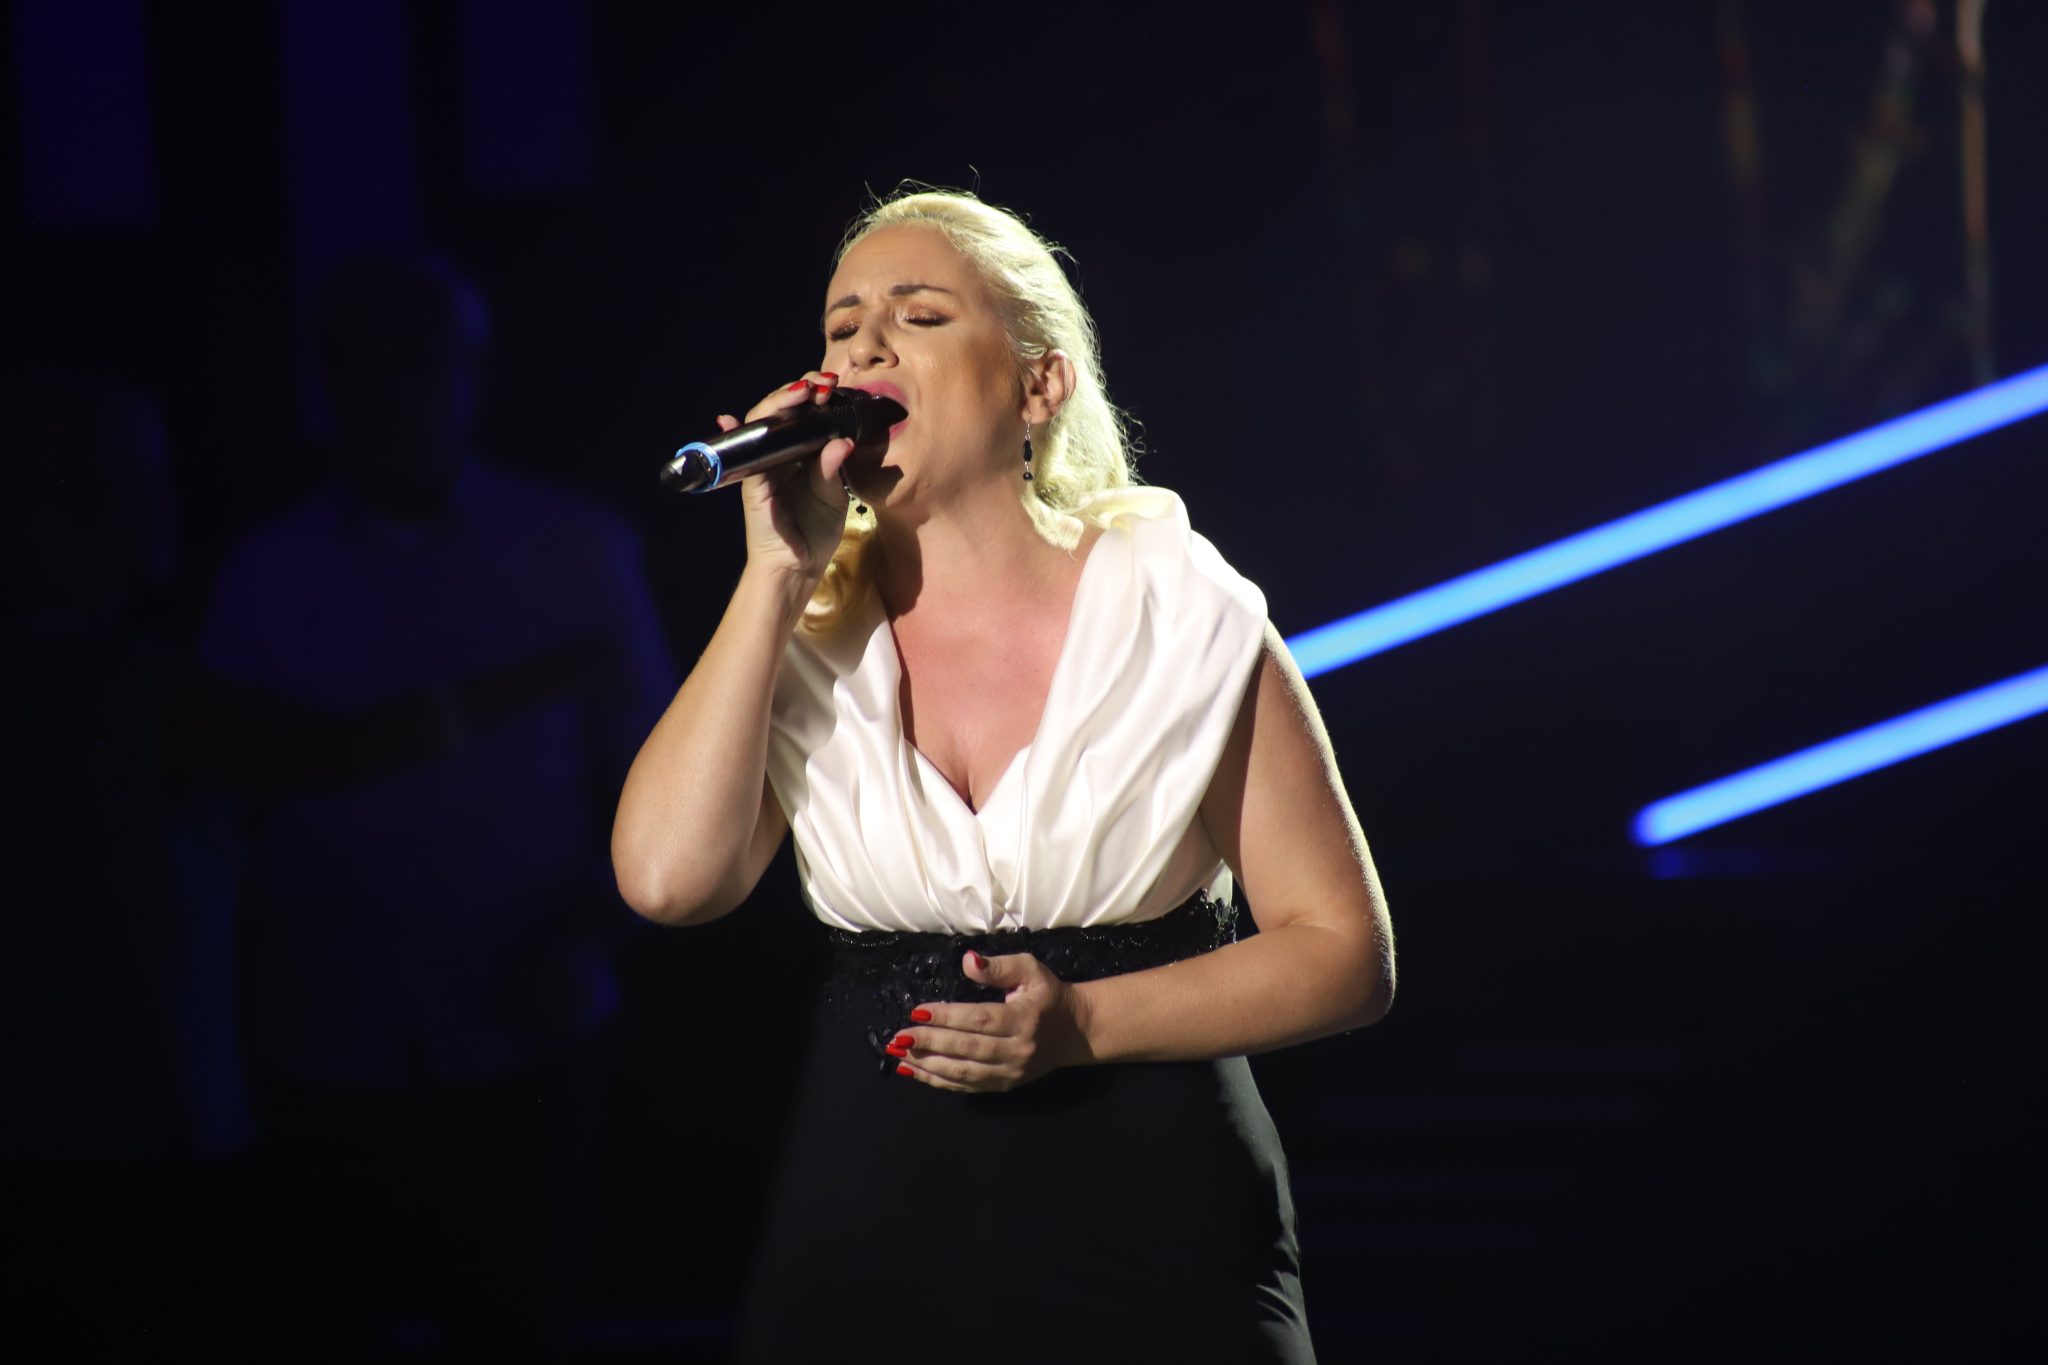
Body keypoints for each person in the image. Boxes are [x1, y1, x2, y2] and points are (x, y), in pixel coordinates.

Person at [612, 189, 1394, 1361]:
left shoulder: (1177, 612)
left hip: (1152, 1216)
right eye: (840, 327)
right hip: (872, 1226)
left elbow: (1341, 953)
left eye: (918, 316)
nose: (864, 349)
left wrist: (1082, 1022)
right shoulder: (799, 640)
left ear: (1040, 385)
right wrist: (774, 574)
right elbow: (668, 882)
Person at [194, 253, 673, 1357]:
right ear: (327, 384)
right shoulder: (267, 572)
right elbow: (224, 796)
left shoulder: (576, 549)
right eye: (361, 367)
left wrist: (582, 936)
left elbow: (664, 785)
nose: (394, 394)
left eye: (419, 361)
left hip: (533, 1020)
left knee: (518, 1318)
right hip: (324, 1032)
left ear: (472, 372)